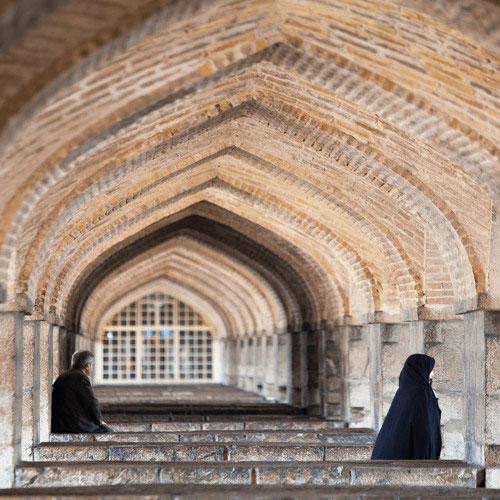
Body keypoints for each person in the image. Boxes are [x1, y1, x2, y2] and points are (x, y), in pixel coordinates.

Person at [371, 353, 441, 460]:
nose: (432, 374)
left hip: (388, 453)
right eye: (430, 370)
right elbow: (423, 429)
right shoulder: (421, 392)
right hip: (405, 456)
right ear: (420, 369)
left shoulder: (405, 389)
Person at [51, 350, 113, 433]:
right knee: (108, 431)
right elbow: (91, 402)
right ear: (87, 366)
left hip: (59, 423)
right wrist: (98, 421)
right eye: (92, 365)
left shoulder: (63, 376)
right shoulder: (80, 377)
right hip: (71, 424)